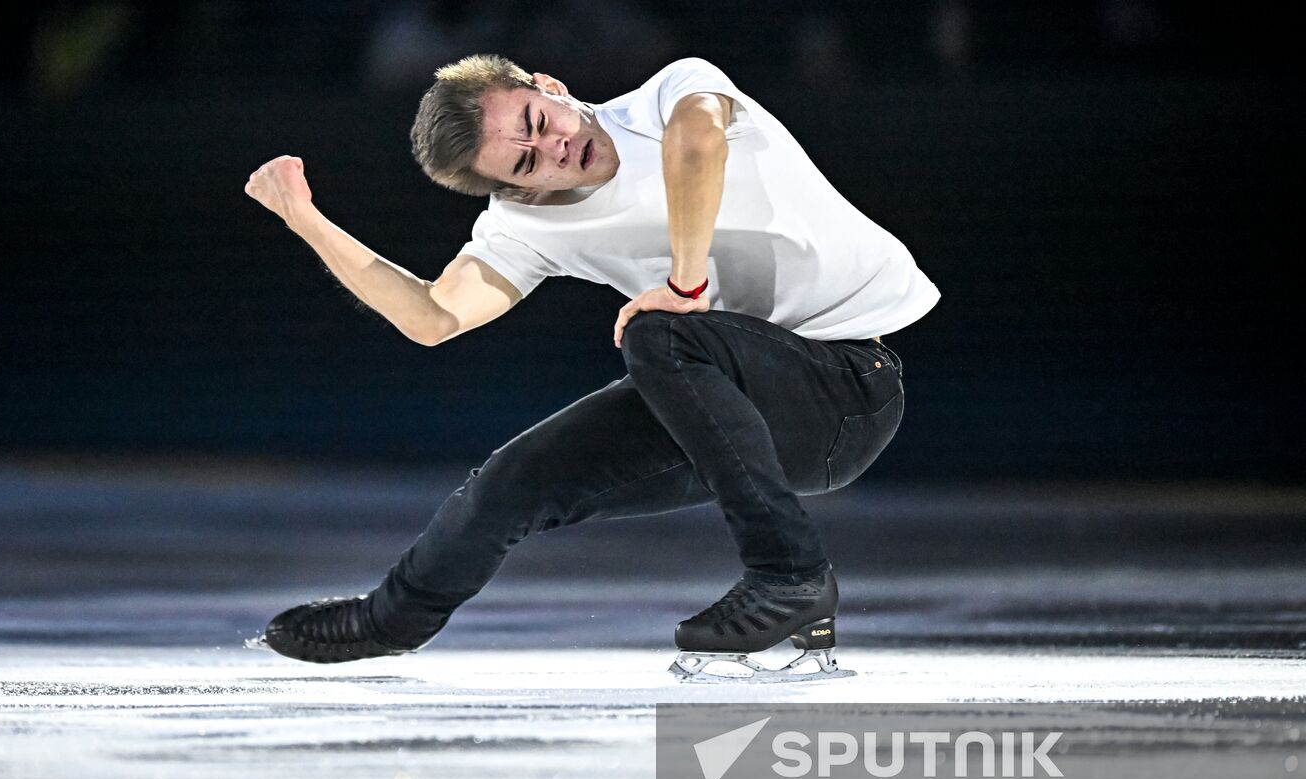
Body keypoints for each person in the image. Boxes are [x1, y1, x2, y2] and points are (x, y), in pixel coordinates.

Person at [242, 55, 939, 680]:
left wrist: (687, 286)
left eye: (539, 121)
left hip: (846, 389)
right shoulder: (525, 225)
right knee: (511, 481)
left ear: (548, 85)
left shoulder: (668, 95)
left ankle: (789, 572)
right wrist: (304, 217)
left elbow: (698, 144)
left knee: (660, 335)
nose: (554, 148)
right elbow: (433, 316)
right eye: (525, 164)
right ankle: (390, 619)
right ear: (513, 192)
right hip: (731, 400)